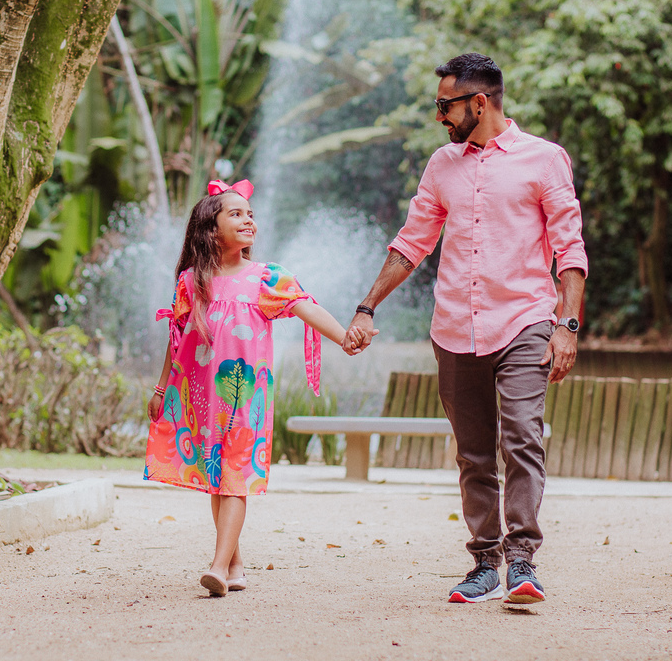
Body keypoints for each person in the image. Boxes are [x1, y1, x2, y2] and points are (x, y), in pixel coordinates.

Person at [343, 53, 587, 605]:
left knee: (522, 437)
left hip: (525, 319)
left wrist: (567, 326)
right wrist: (367, 306)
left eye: (444, 106)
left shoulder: (545, 160)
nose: (439, 118)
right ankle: (483, 564)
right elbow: (412, 243)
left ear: (480, 102)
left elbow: (569, 248)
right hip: (455, 325)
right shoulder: (441, 165)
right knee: (473, 452)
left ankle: (522, 562)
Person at [146, 178, 362, 597]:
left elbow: (306, 309)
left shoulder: (267, 278)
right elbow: (175, 339)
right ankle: (235, 563)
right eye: (237, 214)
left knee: (234, 476)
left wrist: (344, 337)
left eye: (251, 214)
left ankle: (217, 566)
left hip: (248, 397)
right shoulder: (193, 282)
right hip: (204, 396)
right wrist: (160, 390)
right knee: (218, 478)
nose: (249, 221)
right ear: (212, 228)